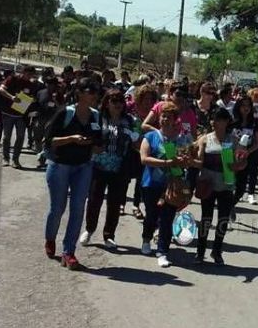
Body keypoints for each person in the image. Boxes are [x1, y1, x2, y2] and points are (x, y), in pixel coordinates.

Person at [42, 77, 102, 270]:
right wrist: (72, 139)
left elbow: (99, 143)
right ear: (79, 93)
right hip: (60, 165)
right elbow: (49, 140)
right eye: (90, 91)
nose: (94, 95)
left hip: (83, 166)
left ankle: (69, 252)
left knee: (77, 210)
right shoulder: (65, 112)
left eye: (96, 91)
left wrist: (93, 144)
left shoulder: (96, 116)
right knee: (57, 208)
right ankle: (50, 238)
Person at [79, 89, 138, 250]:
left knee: (114, 202)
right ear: (107, 103)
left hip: (120, 167)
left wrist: (135, 140)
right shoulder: (98, 117)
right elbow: (89, 136)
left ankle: (109, 235)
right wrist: (92, 146)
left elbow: (137, 141)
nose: (118, 104)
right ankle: (89, 230)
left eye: (120, 101)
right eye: (114, 101)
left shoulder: (130, 120)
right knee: (94, 200)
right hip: (99, 165)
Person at [139, 102, 193, 268]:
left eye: (169, 117)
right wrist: (167, 162)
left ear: (175, 120)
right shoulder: (151, 137)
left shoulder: (181, 140)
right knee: (151, 215)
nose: (165, 120)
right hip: (151, 184)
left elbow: (187, 161)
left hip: (171, 186)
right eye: (163, 116)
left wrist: (184, 161)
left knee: (167, 219)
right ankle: (146, 239)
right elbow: (144, 158)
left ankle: (162, 251)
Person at [194, 108, 246, 265]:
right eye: (214, 119)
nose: (215, 122)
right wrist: (188, 158)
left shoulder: (233, 140)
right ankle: (200, 251)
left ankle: (217, 251)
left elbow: (242, 163)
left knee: (223, 219)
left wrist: (238, 165)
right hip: (207, 184)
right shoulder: (205, 139)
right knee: (206, 219)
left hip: (226, 185)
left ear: (226, 122)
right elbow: (199, 161)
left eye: (219, 119)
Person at [126, 84, 158, 219]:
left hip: (144, 149)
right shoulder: (131, 107)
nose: (148, 102)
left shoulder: (154, 112)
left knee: (141, 178)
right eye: (145, 98)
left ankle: (136, 204)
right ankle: (121, 202)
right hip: (129, 147)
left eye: (151, 99)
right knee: (125, 176)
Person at [0, 65, 37, 168]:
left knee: (20, 137)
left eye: (32, 75)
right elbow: (1, 90)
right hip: (8, 113)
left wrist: (32, 100)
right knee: (7, 137)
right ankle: (6, 158)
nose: (30, 77)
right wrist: (12, 97)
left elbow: (33, 97)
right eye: (28, 74)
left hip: (21, 115)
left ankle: (16, 160)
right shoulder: (12, 79)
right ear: (23, 72)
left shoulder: (31, 84)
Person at [231, 97, 258, 212]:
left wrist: (247, 152)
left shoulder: (255, 123)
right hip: (230, 157)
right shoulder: (232, 121)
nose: (246, 108)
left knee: (241, 187)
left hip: (246, 158)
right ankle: (225, 207)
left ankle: (231, 205)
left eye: (248, 106)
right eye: (243, 105)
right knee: (228, 184)